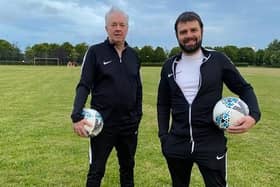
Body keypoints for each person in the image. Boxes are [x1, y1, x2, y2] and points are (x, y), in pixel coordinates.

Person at [157, 11, 261, 187]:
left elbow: (244, 88)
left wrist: (254, 115)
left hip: (211, 142)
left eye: (193, 30)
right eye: (183, 32)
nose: (189, 35)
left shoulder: (218, 60)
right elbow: (163, 103)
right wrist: (164, 137)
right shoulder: (169, 65)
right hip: (177, 144)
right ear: (177, 35)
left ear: (201, 31)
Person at [71, 7, 142, 187]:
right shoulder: (95, 52)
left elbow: (138, 89)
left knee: (128, 168)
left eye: (122, 25)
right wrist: (76, 115)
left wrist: (137, 117)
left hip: (128, 125)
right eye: (113, 25)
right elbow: (84, 85)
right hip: (102, 124)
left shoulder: (134, 56)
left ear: (127, 28)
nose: (118, 28)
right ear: (106, 28)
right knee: (96, 170)